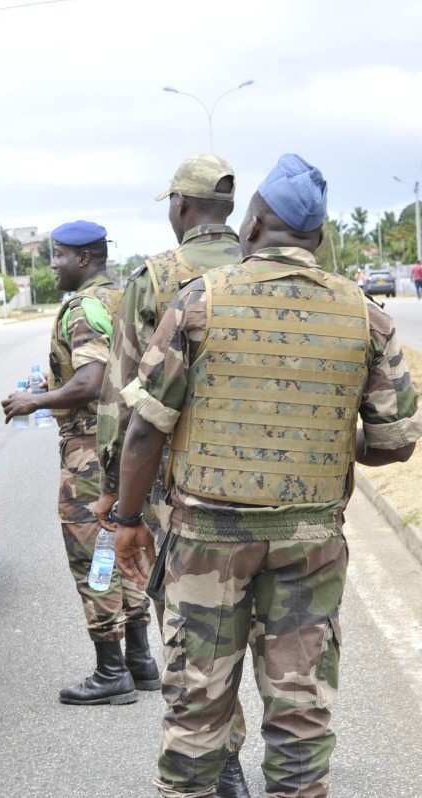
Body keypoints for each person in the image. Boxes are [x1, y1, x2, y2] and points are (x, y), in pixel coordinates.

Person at [110, 154, 421, 797]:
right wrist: (330, 439)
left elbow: (145, 428)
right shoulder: (365, 314)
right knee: (301, 714)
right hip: (310, 542)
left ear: (250, 228)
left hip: (206, 542)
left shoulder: (199, 302)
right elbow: (394, 444)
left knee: (198, 709)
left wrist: (126, 520)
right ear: (320, 237)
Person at [91, 154, 249, 796]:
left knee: (194, 637)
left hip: (177, 493)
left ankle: (222, 761)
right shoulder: (266, 267)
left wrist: (113, 493)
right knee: (273, 636)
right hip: (272, 489)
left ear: (181, 208)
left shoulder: (153, 279)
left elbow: (122, 397)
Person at [2, 220, 154, 705]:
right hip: (128, 446)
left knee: (96, 556)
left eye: (60, 255)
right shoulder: (122, 297)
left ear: (84, 259)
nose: (54, 264)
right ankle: (141, 660)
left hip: (90, 452)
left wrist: (35, 401)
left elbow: (90, 381)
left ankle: (111, 672)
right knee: (122, 547)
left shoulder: (84, 309)